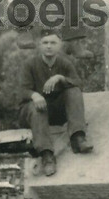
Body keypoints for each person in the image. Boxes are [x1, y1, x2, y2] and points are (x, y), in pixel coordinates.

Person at [18, 29, 92, 177]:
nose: (49, 46)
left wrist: (60, 78)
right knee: (36, 107)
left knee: (73, 91)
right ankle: (47, 156)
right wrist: (34, 95)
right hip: (33, 112)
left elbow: (78, 83)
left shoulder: (65, 63)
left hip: (56, 112)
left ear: (59, 46)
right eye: (45, 43)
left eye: (53, 43)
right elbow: (21, 91)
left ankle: (78, 137)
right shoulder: (30, 64)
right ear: (39, 46)